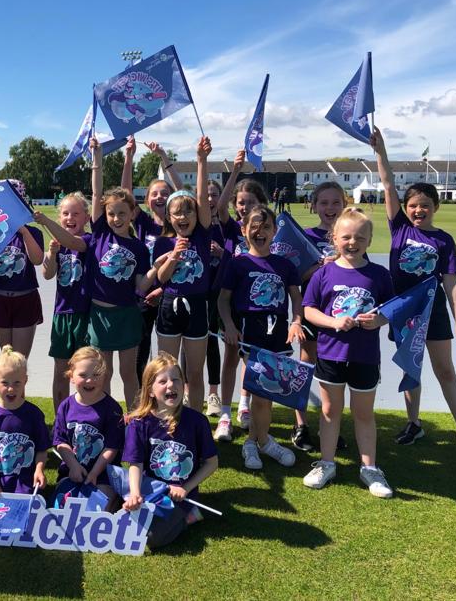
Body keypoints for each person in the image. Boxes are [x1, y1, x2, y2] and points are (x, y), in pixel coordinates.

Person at [372, 128, 456, 468]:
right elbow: (388, 184)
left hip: (433, 313)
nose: (418, 210)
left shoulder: (444, 240)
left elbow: (451, 281)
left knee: (445, 370)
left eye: (424, 205)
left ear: (435, 206)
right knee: (411, 367)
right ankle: (414, 423)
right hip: (403, 310)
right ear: (405, 209)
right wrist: (381, 151)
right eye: (413, 206)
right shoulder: (400, 228)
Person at [302, 208, 395, 498]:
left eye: (360, 237)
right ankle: (326, 463)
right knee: (330, 412)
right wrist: (333, 322)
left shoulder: (379, 274)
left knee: (363, 413)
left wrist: (378, 320)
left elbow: (391, 310)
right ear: (334, 238)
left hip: (365, 357)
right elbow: (308, 310)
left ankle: (370, 468)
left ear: (369, 240)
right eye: (346, 237)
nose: (352, 242)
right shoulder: (323, 273)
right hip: (330, 354)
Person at [218, 205, 304, 470]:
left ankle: (255, 441)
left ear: (275, 231)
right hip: (250, 331)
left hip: (278, 331)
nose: (260, 231)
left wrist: (296, 321)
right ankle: (261, 442)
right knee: (260, 391)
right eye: (254, 226)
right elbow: (223, 300)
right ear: (244, 230)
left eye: (266, 227)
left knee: (268, 392)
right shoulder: (237, 264)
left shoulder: (285, 265)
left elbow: (296, 297)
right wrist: (229, 325)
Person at [122, 352, 218, 549]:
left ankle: (190, 515)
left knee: (152, 538)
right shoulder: (138, 424)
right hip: (151, 493)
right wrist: (135, 494)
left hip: (181, 496)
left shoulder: (197, 421)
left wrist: (186, 488)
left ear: (183, 385)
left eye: (176, 379)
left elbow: (211, 463)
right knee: (126, 525)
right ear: (150, 390)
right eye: (163, 381)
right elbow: (135, 464)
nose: (171, 385)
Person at [87, 137, 156, 408]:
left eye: (122, 213)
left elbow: (141, 285)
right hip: (100, 315)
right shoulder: (100, 233)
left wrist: (159, 267)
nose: (116, 218)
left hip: (127, 315)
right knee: (103, 375)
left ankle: (133, 419)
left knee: (129, 374)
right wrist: (97, 158)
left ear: (132, 213)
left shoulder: (138, 247)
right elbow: (96, 193)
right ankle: (105, 420)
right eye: (111, 213)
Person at [150, 137, 213, 412]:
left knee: (194, 373)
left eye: (189, 211)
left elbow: (200, 198)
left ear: (197, 215)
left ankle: (195, 421)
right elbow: (162, 279)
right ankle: (167, 418)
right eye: (177, 213)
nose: (183, 216)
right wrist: (173, 256)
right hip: (169, 306)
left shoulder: (202, 235)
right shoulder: (163, 242)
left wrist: (201, 160)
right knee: (166, 372)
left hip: (197, 306)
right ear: (169, 217)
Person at [212, 155, 268, 440]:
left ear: (261, 203)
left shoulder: (267, 231)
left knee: (251, 358)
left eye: (250, 202)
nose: (244, 207)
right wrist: (234, 171)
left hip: (257, 309)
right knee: (231, 356)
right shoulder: (233, 228)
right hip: (231, 306)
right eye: (241, 202)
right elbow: (220, 207)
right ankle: (225, 413)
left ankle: (244, 406)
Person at [120, 136, 184, 382]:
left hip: (170, 295)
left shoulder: (180, 225)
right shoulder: (143, 223)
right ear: (146, 200)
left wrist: (164, 157)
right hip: (143, 296)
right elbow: (124, 195)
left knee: (168, 355)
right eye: (154, 194)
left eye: (165, 193)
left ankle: (170, 393)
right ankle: (142, 396)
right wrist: (129, 157)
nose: (159, 197)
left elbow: (184, 193)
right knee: (140, 351)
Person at [291, 181, 347, 453]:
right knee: (305, 367)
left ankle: (330, 425)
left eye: (336, 202)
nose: (330, 208)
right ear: (314, 206)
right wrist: (319, 267)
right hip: (313, 313)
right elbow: (295, 277)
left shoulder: (350, 234)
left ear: (344, 205)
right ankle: (300, 424)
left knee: (334, 373)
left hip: (341, 316)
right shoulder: (306, 236)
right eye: (324, 202)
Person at [34, 193, 92, 413]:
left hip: (84, 314)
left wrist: (45, 221)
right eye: (66, 213)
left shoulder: (88, 240)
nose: (70, 217)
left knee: (85, 370)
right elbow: (47, 274)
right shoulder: (58, 244)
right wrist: (51, 253)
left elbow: (75, 243)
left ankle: (85, 414)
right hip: (62, 313)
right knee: (61, 370)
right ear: (60, 217)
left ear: (86, 217)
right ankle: (61, 417)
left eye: (76, 213)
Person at [0, 346, 49, 497]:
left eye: (17, 383)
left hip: (25, 483)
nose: (11, 389)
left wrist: (39, 470)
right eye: (5, 383)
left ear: (25, 380)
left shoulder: (34, 414)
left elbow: (42, 450)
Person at [52, 346, 124, 506]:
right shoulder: (65, 406)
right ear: (71, 376)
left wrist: (94, 473)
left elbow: (111, 447)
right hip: (71, 471)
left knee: (96, 509)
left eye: (96, 375)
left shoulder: (112, 409)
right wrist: (73, 466)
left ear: (105, 376)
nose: (90, 380)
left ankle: (113, 499)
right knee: (61, 509)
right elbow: (60, 442)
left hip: (103, 474)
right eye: (83, 375)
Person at [0, 179, 44, 358]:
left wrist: (24, 231)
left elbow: (37, 260)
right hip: (0, 298)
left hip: (25, 298)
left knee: (19, 360)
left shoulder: (34, 232)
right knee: (6, 360)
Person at [203, 179, 227, 418]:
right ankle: (187, 389)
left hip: (221, 293)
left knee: (214, 342)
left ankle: (213, 393)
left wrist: (222, 253)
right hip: (199, 292)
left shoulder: (227, 227)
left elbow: (238, 256)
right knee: (191, 342)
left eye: (214, 195)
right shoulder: (196, 225)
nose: (210, 199)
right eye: (206, 194)